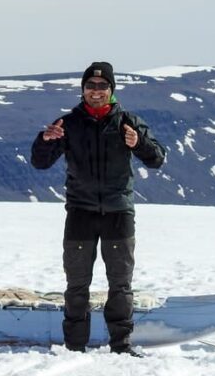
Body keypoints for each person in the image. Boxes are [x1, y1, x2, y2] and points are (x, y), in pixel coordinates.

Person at [31, 62, 166, 356]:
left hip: (118, 213)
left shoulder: (128, 122)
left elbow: (157, 158)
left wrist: (139, 143)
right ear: (82, 89)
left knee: (120, 284)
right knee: (77, 284)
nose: (96, 91)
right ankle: (74, 346)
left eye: (102, 86)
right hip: (80, 212)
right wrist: (44, 140)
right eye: (90, 86)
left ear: (111, 90)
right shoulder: (69, 124)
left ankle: (121, 345)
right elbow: (40, 162)